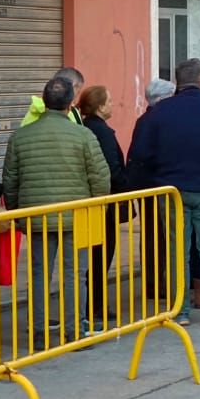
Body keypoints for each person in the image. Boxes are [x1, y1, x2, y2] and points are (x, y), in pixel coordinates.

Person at [128, 59, 200, 326]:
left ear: (177, 82)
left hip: (171, 190)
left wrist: (162, 171)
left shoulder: (158, 113)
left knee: (176, 249)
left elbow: (140, 153)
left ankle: (179, 312)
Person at [3, 75, 112, 337]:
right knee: (75, 274)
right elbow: (100, 177)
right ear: (70, 104)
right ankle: (74, 330)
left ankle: (39, 332)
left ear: (44, 101)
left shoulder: (21, 136)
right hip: (78, 216)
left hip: (37, 216)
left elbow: (10, 180)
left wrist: (19, 213)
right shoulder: (83, 135)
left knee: (40, 274)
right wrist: (98, 207)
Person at [80, 84, 128, 321]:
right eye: (109, 101)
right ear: (99, 106)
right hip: (103, 203)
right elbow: (112, 168)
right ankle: (94, 306)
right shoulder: (101, 132)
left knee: (92, 257)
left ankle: (93, 304)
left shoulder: (84, 127)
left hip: (90, 202)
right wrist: (126, 185)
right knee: (101, 255)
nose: (112, 104)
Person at [127, 79, 176, 305]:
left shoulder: (144, 120)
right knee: (159, 237)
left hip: (149, 186)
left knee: (152, 236)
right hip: (159, 186)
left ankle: (154, 282)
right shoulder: (157, 121)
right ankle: (158, 282)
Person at [21, 66, 86, 127]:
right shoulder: (70, 112)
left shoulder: (33, 110)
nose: (75, 99)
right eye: (78, 92)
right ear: (71, 87)